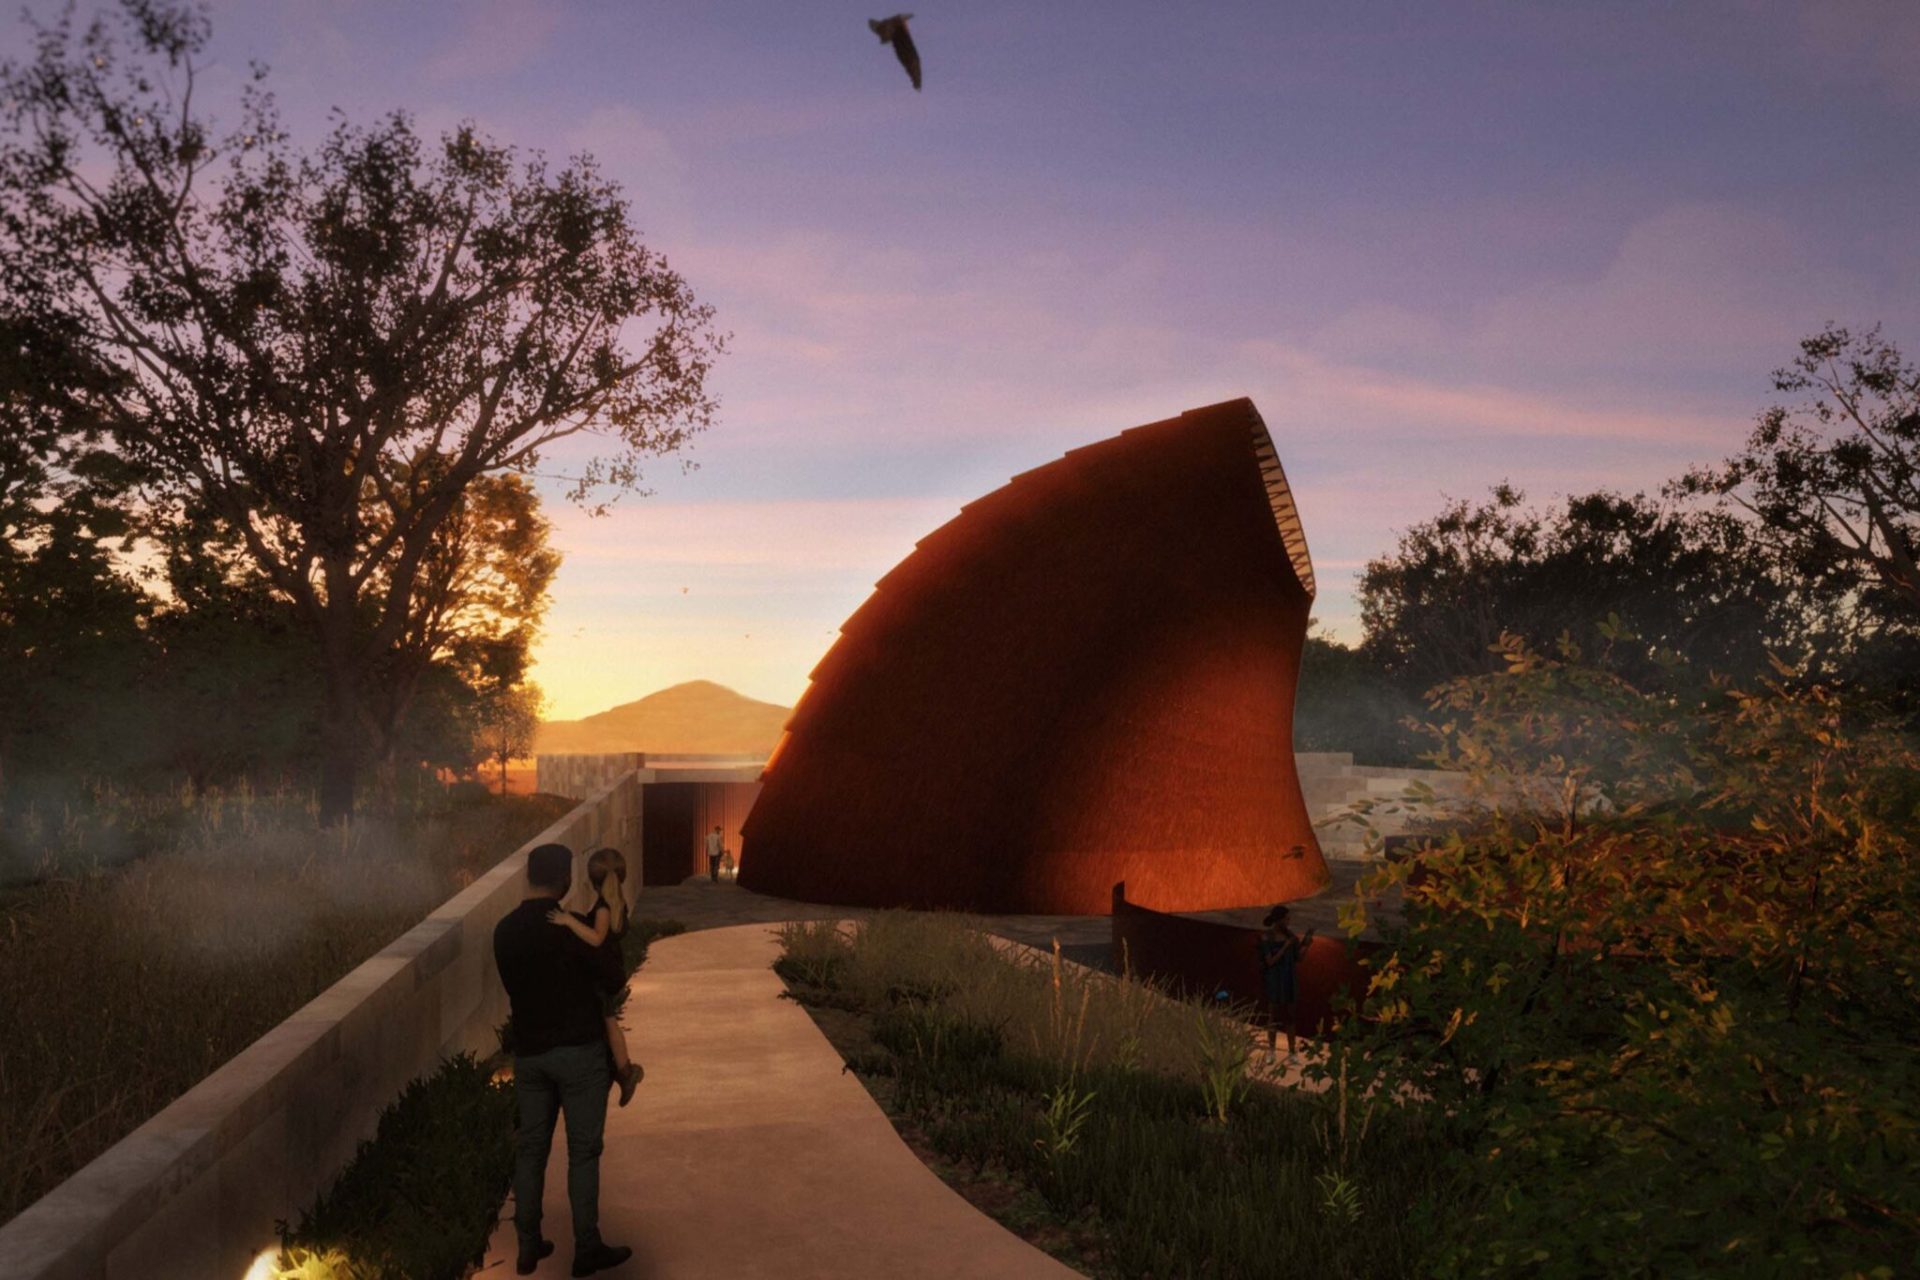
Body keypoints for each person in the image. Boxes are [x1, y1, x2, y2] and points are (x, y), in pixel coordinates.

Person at [492, 842, 633, 1278]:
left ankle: (528, 1247)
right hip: (580, 1054)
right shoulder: (569, 928)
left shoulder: (504, 930)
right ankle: (586, 1248)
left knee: (531, 1150)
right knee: (583, 1152)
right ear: (566, 880)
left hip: (531, 1056)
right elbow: (612, 977)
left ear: (528, 876)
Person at [547, 847, 645, 1106]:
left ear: (592, 879)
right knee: (608, 1019)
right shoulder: (617, 902)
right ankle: (623, 1070)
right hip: (612, 968)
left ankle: (623, 1070)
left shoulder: (603, 907)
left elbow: (596, 938)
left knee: (606, 1020)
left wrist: (568, 920)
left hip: (602, 972)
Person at [1258, 904, 1316, 1056]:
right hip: (1274, 980)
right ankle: (1271, 1051)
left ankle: (1291, 1051)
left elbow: (1299, 957)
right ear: (1279, 920)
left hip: (1289, 979)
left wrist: (1306, 943)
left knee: (1290, 1017)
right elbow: (1270, 961)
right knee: (1273, 1016)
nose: (1289, 921)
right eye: (1286, 918)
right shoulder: (1267, 937)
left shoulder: (1291, 937)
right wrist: (1285, 947)